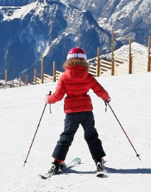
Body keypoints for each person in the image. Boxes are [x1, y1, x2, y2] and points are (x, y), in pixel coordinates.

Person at [44, 47, 111, 176]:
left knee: (66, 137)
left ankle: (57, 162)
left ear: (69, 60)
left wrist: (48, 99)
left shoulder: (64, 77)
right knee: (91, 136)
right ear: (84, 60)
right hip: (86, 111)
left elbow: (57, 96)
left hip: (71, 113)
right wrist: (106, 98)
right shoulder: (87, 76)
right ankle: (98, 160)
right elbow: (99, 90)